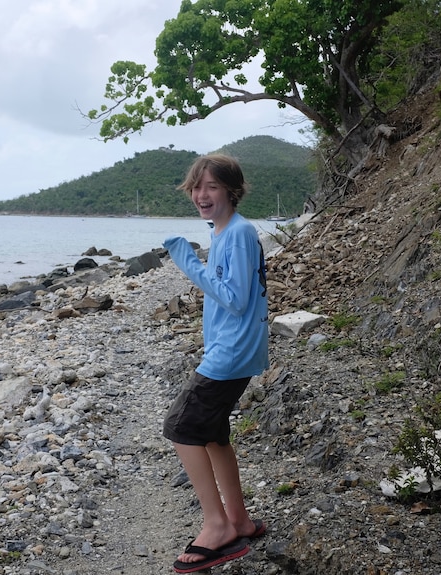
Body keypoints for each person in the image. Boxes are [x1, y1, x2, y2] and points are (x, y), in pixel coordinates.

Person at [162, 154, 270, 573]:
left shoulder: (239, 234)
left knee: (182, 427)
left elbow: (236, 298)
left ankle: (217, 526)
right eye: (196, 187)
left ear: (231, 190)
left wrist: (189, 263)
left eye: (210, 187)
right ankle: (239, 519)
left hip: (232, 352)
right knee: (212, 434)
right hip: (232, 348)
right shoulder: (226, 232)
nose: (201, 195)